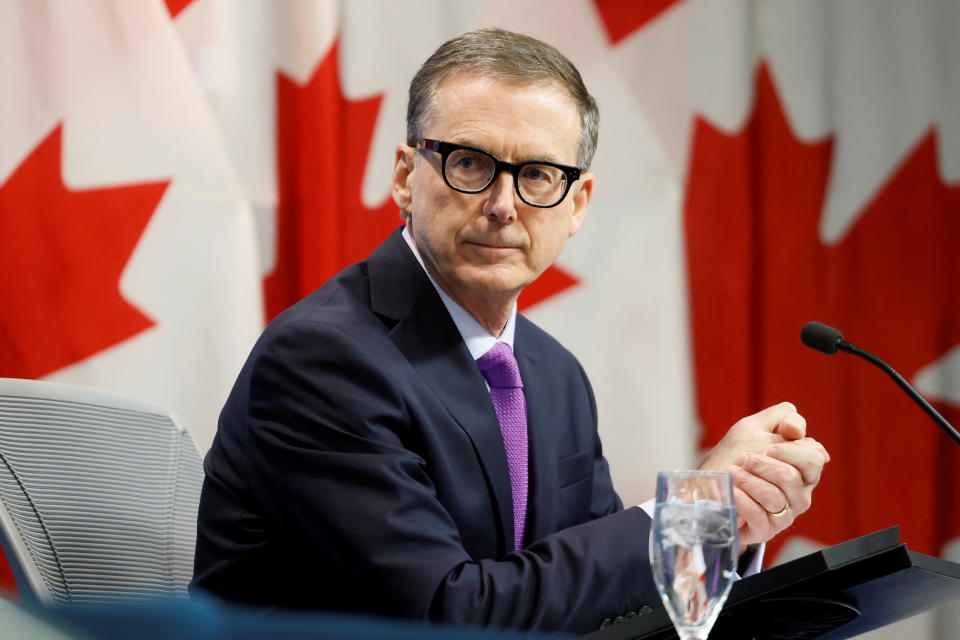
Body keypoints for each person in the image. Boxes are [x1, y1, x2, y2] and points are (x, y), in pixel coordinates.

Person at [191, 28, 829, 634]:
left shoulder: (554, 375)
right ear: (406, 176)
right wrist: (687, 515)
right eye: (470, 163)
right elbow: (447, 619)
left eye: (537, 176)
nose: (502, 204)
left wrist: (727, 519)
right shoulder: (323, 359)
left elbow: (602, 610)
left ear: (576, 203)